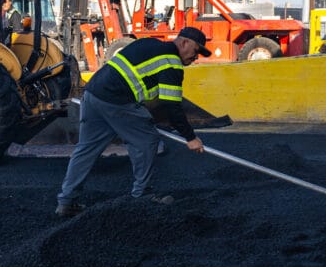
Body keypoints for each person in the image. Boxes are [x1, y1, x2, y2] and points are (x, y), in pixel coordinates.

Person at [55, 27, 210, 217]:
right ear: (185, 42)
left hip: (93, 94)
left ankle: (66, 201)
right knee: (147, 140)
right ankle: (142, 194)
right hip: (116, 100)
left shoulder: (149, 43)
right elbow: (172, 106)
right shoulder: (172, 63)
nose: (196, 57)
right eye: (196, 51)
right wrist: (190, 137)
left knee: (86, 148)